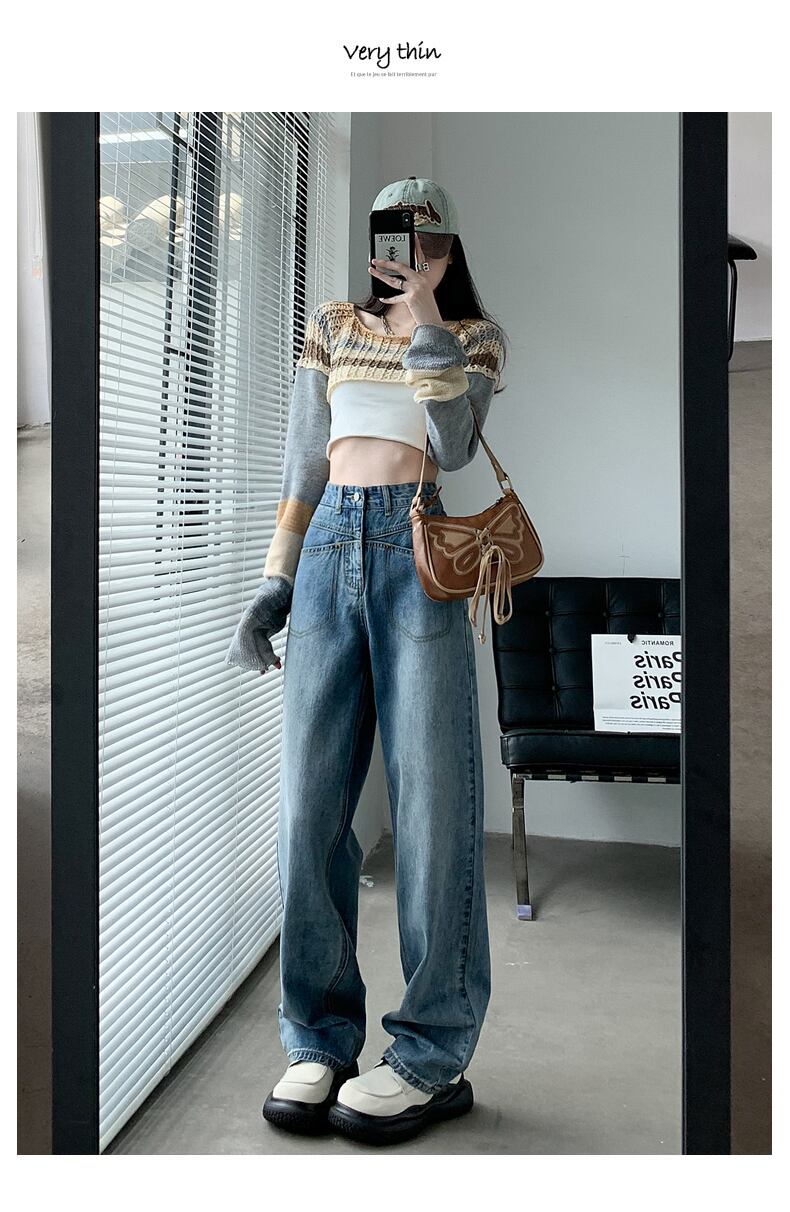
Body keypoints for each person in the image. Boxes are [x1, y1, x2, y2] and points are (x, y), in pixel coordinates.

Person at [225, 177, 506, 1146]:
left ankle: (430, 1055)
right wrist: (275, 581)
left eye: (428, 236)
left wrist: (426, 321)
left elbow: (453, 446)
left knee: (432, 809)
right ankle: (318, 1037)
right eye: (395, 233)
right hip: (328, 556)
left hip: (418, 553)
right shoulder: (333, 325)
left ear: (448, 247)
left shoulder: (472, 337)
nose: (409, 248)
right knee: (308, 811)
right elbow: (306, 463)